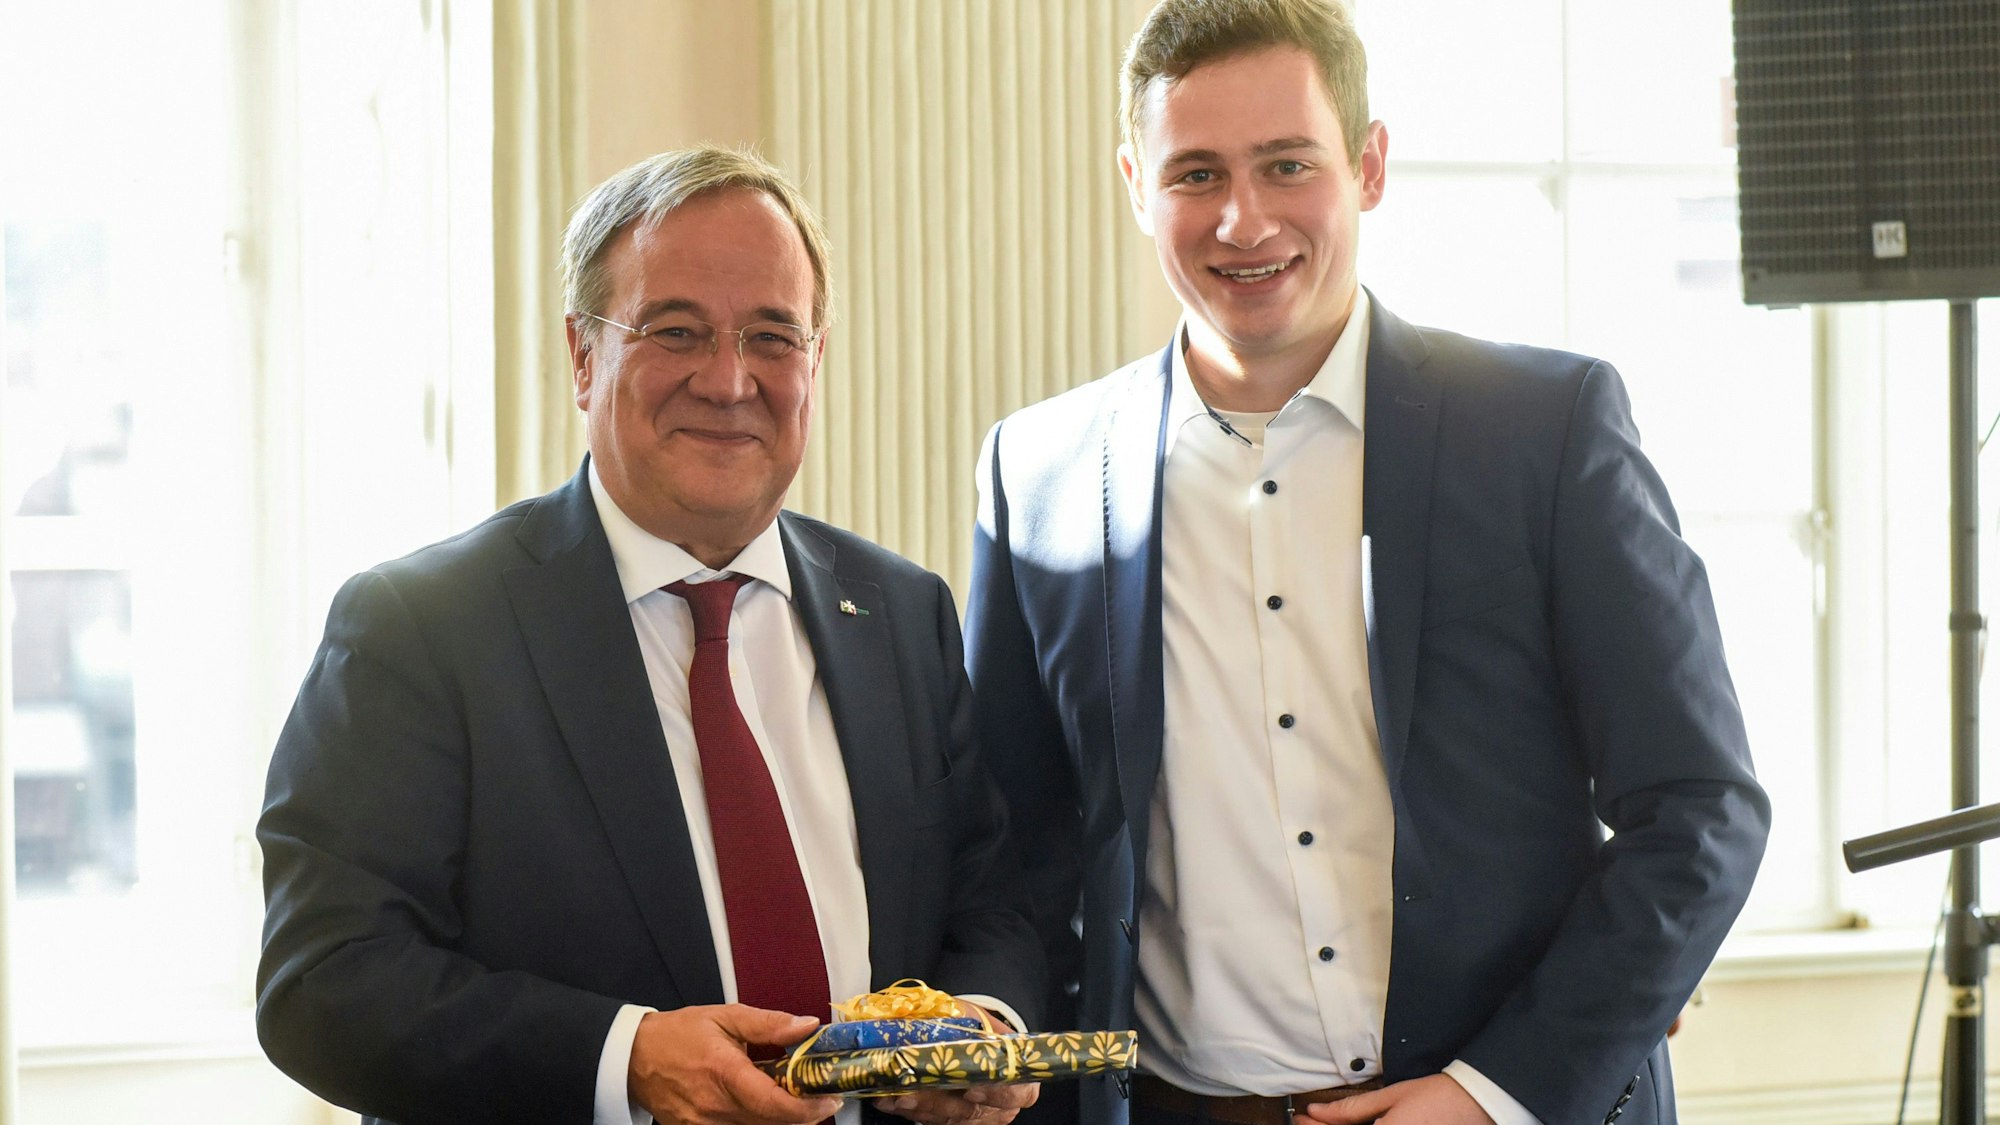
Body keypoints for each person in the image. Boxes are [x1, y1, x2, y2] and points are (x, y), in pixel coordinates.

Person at [962, 2, 1770, 1124]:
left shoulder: (1545, 429)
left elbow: (1697, 809)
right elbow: (1012, 854)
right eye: (1193, 174)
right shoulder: (1036, 474)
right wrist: (982, 1027)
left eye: (1285, 164)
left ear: (1368, 165)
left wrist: (1494, 1094)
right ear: (1132, 185)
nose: (1242, 221)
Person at [258, 145, 1044, 1125]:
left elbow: (988, 901)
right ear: (584, 357)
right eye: (677, 331)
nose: (728, 380)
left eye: (771, 336)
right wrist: (622, 1058)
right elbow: (324, 986)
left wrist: (983, 1022)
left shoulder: (899, 612)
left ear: (814, 359)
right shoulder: (420, 629)